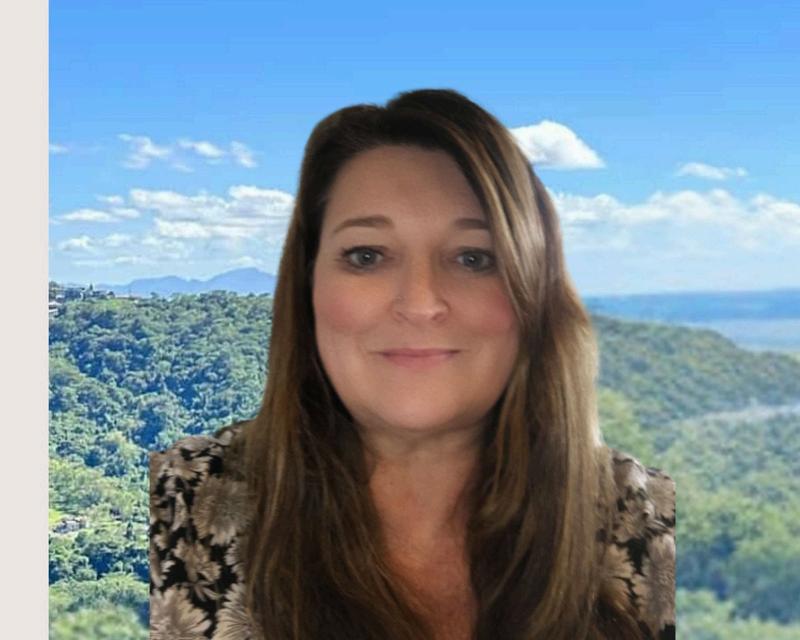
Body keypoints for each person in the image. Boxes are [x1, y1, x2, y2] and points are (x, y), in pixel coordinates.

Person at [149, 88, 676, 640]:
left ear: (534, 294)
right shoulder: (177, 504)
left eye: (473, 258)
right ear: (307, 286)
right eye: (367, 256)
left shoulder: (648, 521)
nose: (421, 303)